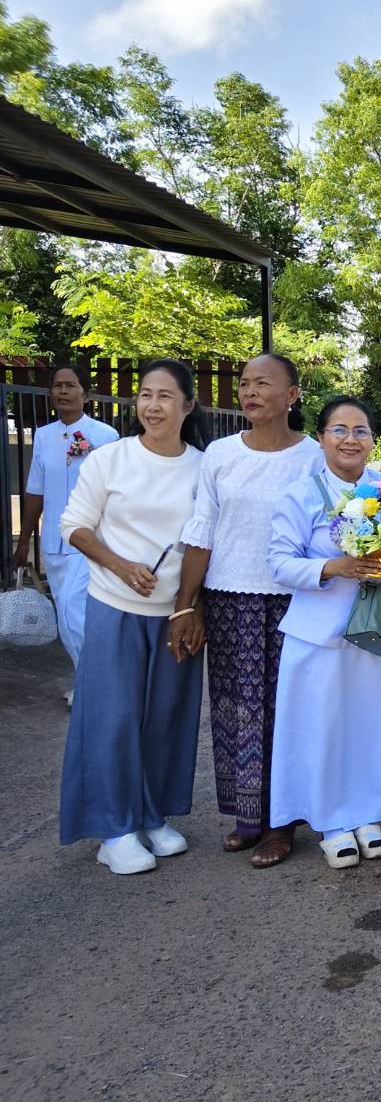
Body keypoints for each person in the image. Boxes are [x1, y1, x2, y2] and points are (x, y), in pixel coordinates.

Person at [57, 359, 208, 875]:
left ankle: (149, 814)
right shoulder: (110, 460)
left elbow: (209, 544)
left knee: (166, 718)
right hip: (114, 607)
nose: (152, 405)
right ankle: (113, 829)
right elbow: (73, 525)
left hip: (177, 614)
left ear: (188, 406)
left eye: (166, 396)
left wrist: (192, 606)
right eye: (145, 395)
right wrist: (120, 566)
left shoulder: (203, 467)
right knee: (113, 718)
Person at [174, 353, 321, 867]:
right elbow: (201, 530)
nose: (250, 391)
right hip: (229, 597)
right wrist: (184, 606)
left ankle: (282, 823)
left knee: (287, 710)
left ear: (292, 395)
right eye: (244, 383)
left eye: (263, 383)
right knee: (237, 710)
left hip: (295, 599)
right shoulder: (219, 453)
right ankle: (248, 815)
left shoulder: (315, 458)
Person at [266, 396, 381, 870]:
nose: (350, 440)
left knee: (375, 724)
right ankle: (332, 822)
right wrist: (338, 566)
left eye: (360, 431)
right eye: (339, 430)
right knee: (324, 728)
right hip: (321, 635)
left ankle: (370, 815)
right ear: (321, 438)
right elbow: (278, 563)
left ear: (375, 440)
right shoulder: (301, 494)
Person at [10, 365, 120, 682]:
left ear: (85, 394)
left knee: (76, 611)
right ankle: (84, 682)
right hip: (54, 544)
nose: (62, 391)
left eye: (70, 385)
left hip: (91, 542)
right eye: (57, 386)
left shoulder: (105, 436)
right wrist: (23, 544)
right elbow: (35, 491)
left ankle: (97, 685)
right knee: (66, 620)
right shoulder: (44, 437)